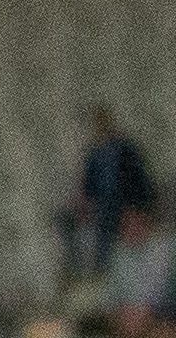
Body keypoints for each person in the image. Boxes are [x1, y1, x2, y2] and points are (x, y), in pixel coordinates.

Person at [61, 107, 156, 280]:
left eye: (102, 121)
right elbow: (87, 186)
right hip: (103, 204)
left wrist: (138, 207)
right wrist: (82, 203)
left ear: (109, 122)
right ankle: (90, 273)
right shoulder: (94, 153)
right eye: (96, 123)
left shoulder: (124, 147)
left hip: (126, 202)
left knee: (107, 220)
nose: (99, 126)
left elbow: (139, 179)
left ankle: (107, 270)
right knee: (69, 220)